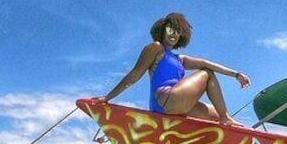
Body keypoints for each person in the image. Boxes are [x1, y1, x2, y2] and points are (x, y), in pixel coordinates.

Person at [94, 12, 250, 124]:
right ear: (162, 30)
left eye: (178, 32)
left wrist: (236, 74)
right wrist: (108, 97)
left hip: (176, 103)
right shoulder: (156, 48)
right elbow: (135, 74)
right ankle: (226, 119)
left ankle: (223, 122)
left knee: (215, 114)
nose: (173, 35)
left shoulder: (180, 59)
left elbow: (206, 62)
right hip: (164, 101)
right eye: (170, 30)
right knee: (207, 74)